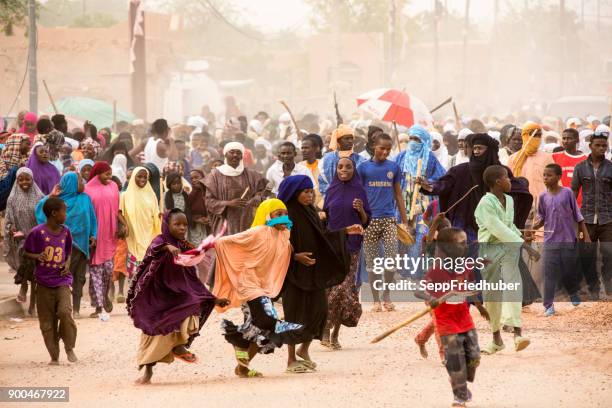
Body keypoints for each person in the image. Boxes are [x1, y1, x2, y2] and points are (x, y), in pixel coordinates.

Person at [127, 209, 229, 385]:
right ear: (167, 225)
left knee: (193, 305)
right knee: (154, 335)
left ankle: (179, 346)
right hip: (158, 299)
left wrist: (213, 299)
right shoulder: (160, 241)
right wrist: (167, 247)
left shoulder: (185, 247)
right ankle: (148, 372)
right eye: (177, 224)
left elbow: (192, 279)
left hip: (178, 295)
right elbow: (152, 251)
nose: (182, 228)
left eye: (185, 225)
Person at [278, 175, 362, 373]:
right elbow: (276, 242)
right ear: (294, 193)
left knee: (319, 312)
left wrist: (346, 230)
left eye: (310, 191)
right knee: (294, 314)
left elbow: (323, 236)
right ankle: (290, 360)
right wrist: (296, 256)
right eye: (305, 191)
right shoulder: (285, 214)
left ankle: (304, 350)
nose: (309, 195)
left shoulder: (311, 212)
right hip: (293, 273)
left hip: (313, 271)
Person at [213, 199, 305, 377]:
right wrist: (207, 245)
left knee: (265, 330)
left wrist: (296, 257)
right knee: (267, 319)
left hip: (263, 286)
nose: (283, 218)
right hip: (248, 283)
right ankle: (238, 340)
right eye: (278, 214)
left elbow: (282, 252)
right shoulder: (257, 231)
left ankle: (242, 367)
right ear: (267, 215)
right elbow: (225, 242)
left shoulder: (283, 235)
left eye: (285, 214)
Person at [416, 227, 489, 408]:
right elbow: (419, 291)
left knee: (474, 357)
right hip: (446, 321)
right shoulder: (437, 270)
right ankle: (459, 396)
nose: (466, 246)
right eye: (462, 243)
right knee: (455, 360)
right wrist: (431, 299)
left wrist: (480, 307)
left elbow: (467, 287)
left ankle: (461, 377)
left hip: (464, 319)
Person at [474, 165, 537, 355]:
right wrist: (524, 245)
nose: (511, 181)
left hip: (509, 248)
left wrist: (520, 237)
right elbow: (497, 228)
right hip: (490, 250)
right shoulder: (485, 203)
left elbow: (509, 226)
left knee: (514, 286)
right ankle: (496, 339)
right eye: (507, 178)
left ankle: (518, 334)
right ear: (498, 182)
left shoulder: (509, 200)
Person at [321, 158, 370, 349]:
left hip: (352, 246)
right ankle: (331, 334)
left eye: (348, 167)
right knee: (332, 290)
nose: (344, 170)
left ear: (353, 169)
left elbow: (366, 221)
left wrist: (360, 210)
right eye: (340, 167)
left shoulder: (359, 191)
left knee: (343, 289)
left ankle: (330, 329)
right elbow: (325, 218)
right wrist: (322, 215)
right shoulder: (331, 190)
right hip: (332, 247)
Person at [357, 133, 409, 311]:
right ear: (373, 146)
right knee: (372, 262)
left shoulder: (393, 168)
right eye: (382, 148)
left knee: (391, 260)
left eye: (388, 149)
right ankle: (375, 300)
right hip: (370, 221)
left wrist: (404, 219)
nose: (385, 152)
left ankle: (386, 295)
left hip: (389, 220)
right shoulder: (363, 168)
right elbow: (358, 193)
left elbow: (398, 194)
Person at [24, 197, 78, 365]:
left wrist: (67, 264)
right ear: (54, 213)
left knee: (64, 312)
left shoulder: (66, 231)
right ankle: (54, 355)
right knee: (47, 322)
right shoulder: (37, 232)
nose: (66, 215)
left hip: (62, 280)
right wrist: (37, 256)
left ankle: (69, 346)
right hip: (43, 282)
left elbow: (68, 252)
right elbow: (25, 252)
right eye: (64, 211)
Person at [36, 172, 98, 318]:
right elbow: (39, 210)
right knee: (61, 276)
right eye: (80, 181)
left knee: (79, 278)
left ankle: (75, 309)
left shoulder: (85, 199)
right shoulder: (56, 202)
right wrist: (51, 195)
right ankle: (62, 308)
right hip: (61, 247)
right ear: (71, 183)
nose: (83, 183)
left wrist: (93, 235)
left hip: (82, 246)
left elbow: (93, 219)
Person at [531, 164, 590, 316]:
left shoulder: (567, 193)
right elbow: (541, 217)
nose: (545, 178)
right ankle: (548, 305)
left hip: (568, 240)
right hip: (550, 241)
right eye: (544, 175)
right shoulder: (542, 197)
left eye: (549, 175)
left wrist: (586, 236)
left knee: (568, 271)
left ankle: (572, 292)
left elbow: (578, 215)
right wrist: (537, 224)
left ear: (558, 177)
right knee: (549, 273)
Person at [572, 129, 612, 298]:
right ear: (590, 146)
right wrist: (572, 216)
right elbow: (573, 192)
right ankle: (593, 289)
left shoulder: (611, 168)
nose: (601, 148)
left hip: (607, 219)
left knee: (609, 254)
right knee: (586, 256)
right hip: (585, 219)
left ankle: (609, 289)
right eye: (598, 145)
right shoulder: (580, 168)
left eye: (604, 146)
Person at [204, 141, 268, 236]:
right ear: (225, 154)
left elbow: (264, 191)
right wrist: (228, 203)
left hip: (248, 221)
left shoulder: (252, 174)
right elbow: (209, 201)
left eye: (238, 153)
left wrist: (256, 198)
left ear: (242, 156)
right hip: (224, 223)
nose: (235, 155)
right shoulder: (214, 175)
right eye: (232, 152)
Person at [84, 162, 122, 319]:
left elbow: (117, 209)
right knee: (95, 273)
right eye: (106, 173)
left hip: (110, 236)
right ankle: (98, 306)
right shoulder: (88, 190)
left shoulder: (114, 186)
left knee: (107, 271)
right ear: (97, 173)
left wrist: (122, 225)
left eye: (110, 173)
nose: (109, 176)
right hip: (95, 238)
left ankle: (104, 296)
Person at [5, 168, 44, 314]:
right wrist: (12, 229)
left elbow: (44, 218)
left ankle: (32, 304)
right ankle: (23, 287)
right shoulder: (12, 198)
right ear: (16, 181)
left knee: (35, 276)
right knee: (25, 263)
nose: (24, 182)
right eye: (20, 179)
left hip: (36, 239)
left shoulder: (39, 197)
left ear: (32, 179)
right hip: (20, 240)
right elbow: (8, 219)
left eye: (27, 179)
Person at [121, 166, 162, 279]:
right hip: (133, 237)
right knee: (134, 275)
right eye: (139, 176)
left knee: (149, 274)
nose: (142, 179)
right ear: (134, 177)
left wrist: (160, 217)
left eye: (145, 177)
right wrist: (125, 225)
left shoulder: (151, 195)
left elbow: (156, 214)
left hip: (149, 235)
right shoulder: (125, 196)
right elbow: (119, 212)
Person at [318, 124, 368, 198]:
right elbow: (323, 183)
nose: (350, 141)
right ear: (338, 141)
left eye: (351, 138)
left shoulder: (361, 160)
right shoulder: (325, 160)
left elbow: (365, 184)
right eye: (346, 138)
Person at [508, 122, 554, 199]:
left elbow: (554, 182)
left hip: (541, 202)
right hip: (519, 201)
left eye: (539, 135)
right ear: (525, 136)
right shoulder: (513, 158)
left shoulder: (546, 157)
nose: (537, 138)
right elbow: (508, 181)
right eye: (534, 135)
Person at [553, 128, 587, 207]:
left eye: (569, 138)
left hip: (580, 206)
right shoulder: (555, 157)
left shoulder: (586, 160)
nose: (565, 141)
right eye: (564, 138)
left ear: (577, 140)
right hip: (559, 204)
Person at [187, 169, 209, 246]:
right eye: (192, 179)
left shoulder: (211, 192)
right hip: (197, 230)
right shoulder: (191, 196)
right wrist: (197, 219)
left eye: (196, 177)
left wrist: (210, 218)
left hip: (212, 228)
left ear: (203, 177)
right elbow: (187, 213)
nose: (194, 180)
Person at [300, 135, 324, 208]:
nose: (303, 150)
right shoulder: (299, 167)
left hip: (323, 208)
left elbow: (330, 189)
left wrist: (320, 207)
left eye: (306, 148)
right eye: (302, 148)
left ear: (316, 149)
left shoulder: (324, 165)